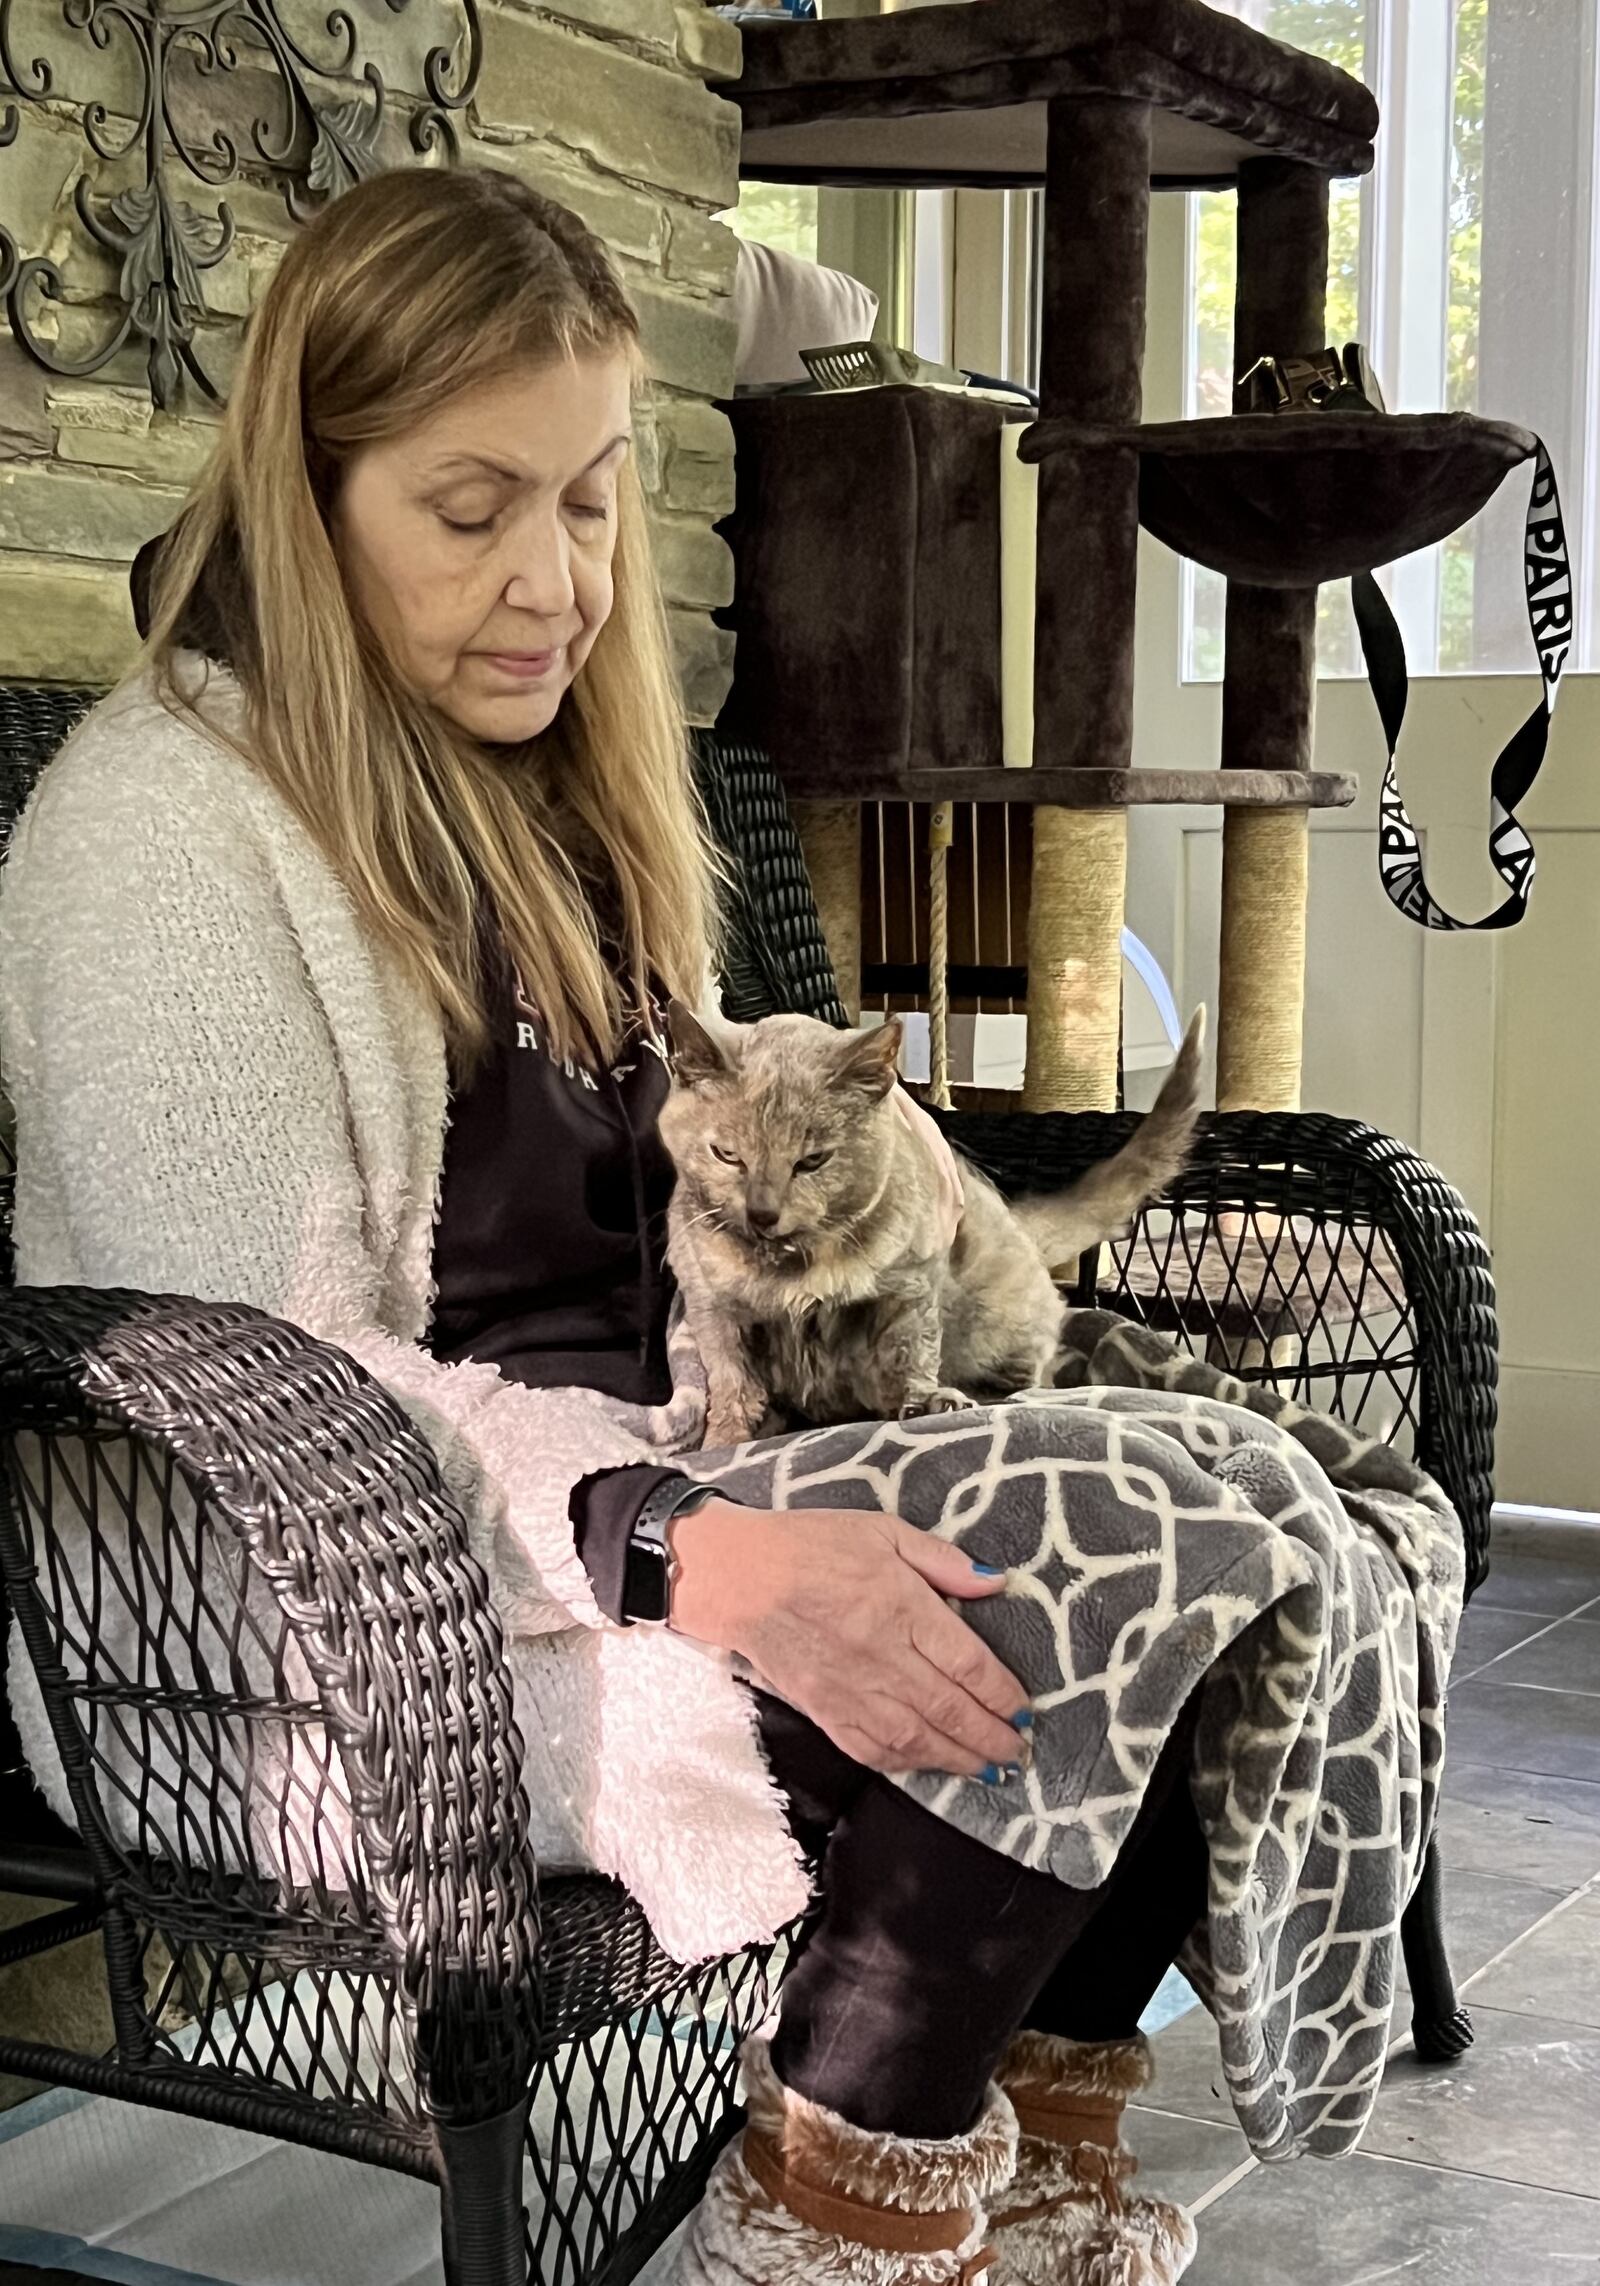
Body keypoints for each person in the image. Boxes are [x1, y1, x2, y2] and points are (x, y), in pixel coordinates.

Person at [0, 166, 1420, 2286]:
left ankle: (996, 2139)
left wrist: (928, 1243)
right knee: (1108, 1549)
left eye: (584, 504)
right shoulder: (155, 835)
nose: (550, 583)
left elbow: (730, 1143)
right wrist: (697, 1550)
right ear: (308, 502)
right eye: (465, 508)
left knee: (1260, 1476)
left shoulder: (552, 794)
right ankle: (828, 2215)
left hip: (643, 1510)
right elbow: (265, 1383)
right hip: (320, 1641)